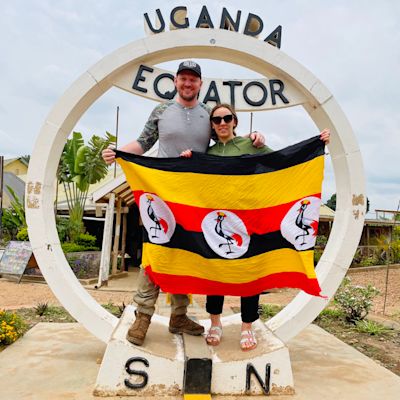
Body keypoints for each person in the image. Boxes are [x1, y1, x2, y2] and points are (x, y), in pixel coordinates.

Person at [102, 61, 266, 346]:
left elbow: (228, 142)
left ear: (200, 84)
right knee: (155, 252)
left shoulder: (208, 116)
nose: (188, 83)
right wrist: (118, 152)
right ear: (175, 82)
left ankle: (179, 315)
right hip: (162, 193)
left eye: (193, 79)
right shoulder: (162, 111)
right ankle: (142, 316)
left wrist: (256, 138)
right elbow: (143, 143)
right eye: (183, 78)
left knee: (185, 255)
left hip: (196, 199)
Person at [181, 103, 330, 351]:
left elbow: (280, 163)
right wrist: (187, 160)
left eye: (227, 118)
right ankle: (215, 323)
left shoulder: (250, 145)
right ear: (212, 125)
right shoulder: (208, 153)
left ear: (235, 121)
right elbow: (191, 181)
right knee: (214, 272)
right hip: (218, 218)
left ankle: (247, 326)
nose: (222, 123)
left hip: (249, 219)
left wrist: (315, 144)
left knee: (250, 273)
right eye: (216, 120)